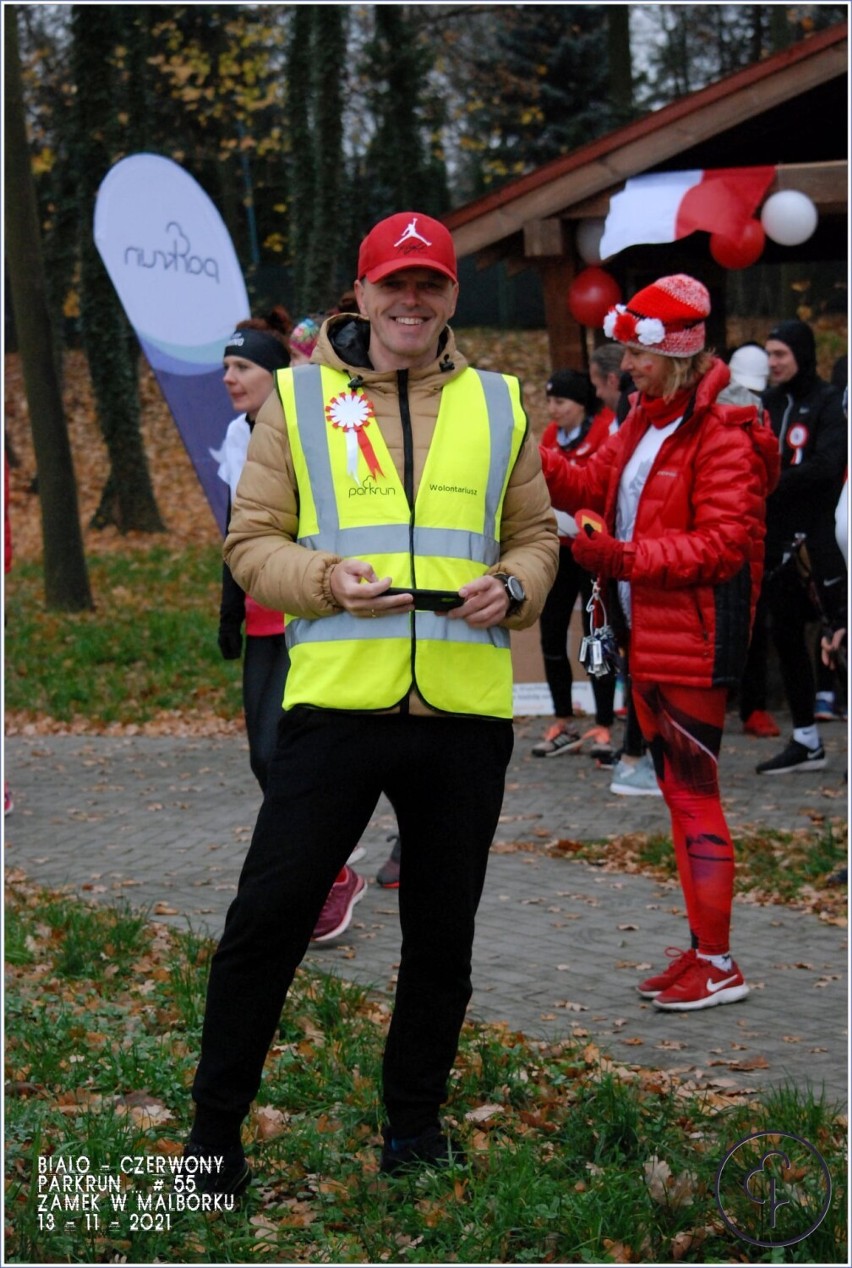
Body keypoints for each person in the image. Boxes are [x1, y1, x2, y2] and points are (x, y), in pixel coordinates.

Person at [183, 209, 558, 1190]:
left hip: (463, 715)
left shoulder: (500, 403)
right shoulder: (297, 402)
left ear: (450, 297)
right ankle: (213, 1135)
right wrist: (323, 581)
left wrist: (514, 587)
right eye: (395, 282)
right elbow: (251, 541)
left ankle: (414, 1127)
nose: (412, 299)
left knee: (444, 934)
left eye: (429, 282)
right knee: (266, 920)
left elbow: (538, 537)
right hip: (336, 706)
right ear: (363, 293)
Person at [539, 273, 778, 1011]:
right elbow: (587, 482)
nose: (622, 368)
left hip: (694, 643)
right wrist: (520, 449)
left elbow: (724, 546)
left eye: (635, 355)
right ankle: (706, 950)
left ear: (674, 354)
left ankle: (721, 964)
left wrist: (620, 558)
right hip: (645, 633)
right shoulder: (642, 416)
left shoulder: (725, 429)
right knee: (677, 798)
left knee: (696, 796)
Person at [217, 312, 364, 941]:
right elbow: (238, 530)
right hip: (260, 613)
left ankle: (329, 877)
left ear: (276, 374)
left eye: (242, 366)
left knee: (289, 755)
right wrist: (227, 607)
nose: (229, 378)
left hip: (310, 606)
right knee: (261, 756)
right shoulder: (234, 434)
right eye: (225, 367)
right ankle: (323, 869)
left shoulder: (316, 425)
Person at [753, 319, 846, 772]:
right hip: (776, 543)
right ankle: (806, 739)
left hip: (824, 539)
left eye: (780, 355)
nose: (772, 363)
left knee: (839, 637)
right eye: (769, 355)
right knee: (785, 635)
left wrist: (773, 485)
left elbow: (829, 464)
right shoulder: (766, 405)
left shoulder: (828, 402)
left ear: (801, 355)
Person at [532, 369, 616, 759]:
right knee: (551, 630)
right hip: (559, 546)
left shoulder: (605, 430)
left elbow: (598, 485)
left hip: (594, 547)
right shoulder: (550, 436)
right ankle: (562, 719)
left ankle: (603, 724)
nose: (553, 410)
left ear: (581, 404)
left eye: (560, 402)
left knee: (596, 633)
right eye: (549, 402)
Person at [720, 343, 780, 739]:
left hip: (751, 532)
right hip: (723, 530)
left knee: (752, 623)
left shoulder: (762, 415)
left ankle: (752, 705)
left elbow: (768, 476)